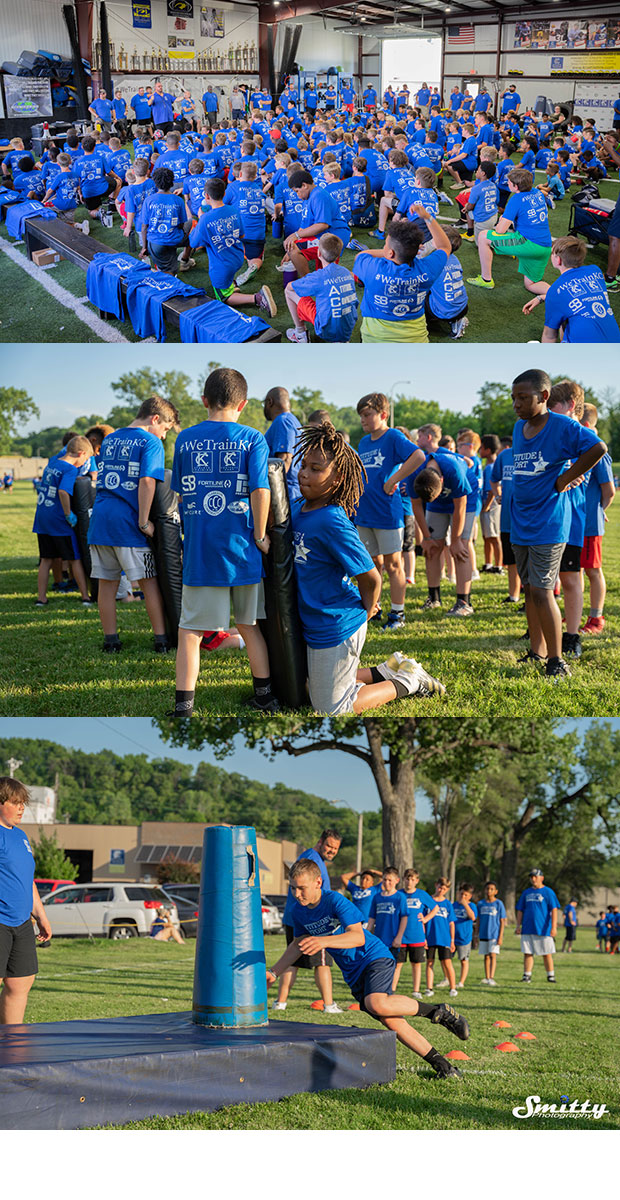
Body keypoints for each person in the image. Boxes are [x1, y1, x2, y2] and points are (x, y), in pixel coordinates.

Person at [267, 857, 470, 1080]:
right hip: (353, 973)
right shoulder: (299, 911)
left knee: (377, 1003)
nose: (297, 894)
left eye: (302, 888)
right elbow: (297, 944)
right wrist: (274, 972)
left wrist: (323, 941)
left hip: (373, 956)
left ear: (318, 882)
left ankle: (439, 1012)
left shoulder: (334, 900)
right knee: (390, 1019)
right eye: (293, 888)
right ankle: (444, 1067)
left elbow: (356, 936)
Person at [291, 422, 445, 715]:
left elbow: (371, 576)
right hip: (313, 618)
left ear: (337, 479)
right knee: (305, 686)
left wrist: (368, 608)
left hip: (336, 624)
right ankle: (387, 669)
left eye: (315, 469)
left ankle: (409, 680)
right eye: (303, 465)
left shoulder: (332, 521)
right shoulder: (300, 508)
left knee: (330, 708)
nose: (303, 473)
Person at [169, 368, 278, 716]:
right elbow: (261, 490)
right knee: (249, 626)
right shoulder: (253, 437)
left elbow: (182, 496)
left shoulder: (185, 439)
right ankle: (264, 698)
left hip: (201, 551)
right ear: (243, 404)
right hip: (242, 550)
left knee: (190, 632)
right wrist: (260, 535)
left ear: (204, 401)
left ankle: (184, 707)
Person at [510, 368, 606, 681]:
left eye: (524, 397)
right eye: (514, 398)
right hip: (520, 521)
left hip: (548, 524)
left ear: (545, 397)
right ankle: (536, 651)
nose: (517, 404)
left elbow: (597, 448)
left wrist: (565, 478)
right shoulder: (517, 428)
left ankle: (556, 660)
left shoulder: (562, 426)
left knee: (542, 591)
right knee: (529, 589)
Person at [87, 396, 179, 654]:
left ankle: (111, 640)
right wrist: (143, 521)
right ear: (156, 419)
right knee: (149, 582)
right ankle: (161, 639)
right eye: (165, 430)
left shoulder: (111, 438)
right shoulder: (149, 442)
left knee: (107, 585)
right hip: (127, 524)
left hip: (100, 521)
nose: (162, 437)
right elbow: (148, 481)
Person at [354, 392, 425, 631]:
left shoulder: (393, 436)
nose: (363, 419)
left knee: (394, 564)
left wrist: (393, 479)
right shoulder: (364, 442)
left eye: (367, 414)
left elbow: (418, 455)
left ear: (383, 415)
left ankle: (398, 614)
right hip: (365, 512)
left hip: (387, 512)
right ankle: (374, 608)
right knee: (371, 564)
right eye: (361, 415)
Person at [354, 208, 451, 343]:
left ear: (390, 253)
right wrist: (427, 217)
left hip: (375, 339)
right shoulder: (426, 269)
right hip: (417, 340)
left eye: (386, 245)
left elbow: (361, 255)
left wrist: (387, 253)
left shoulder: (373, 268)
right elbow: (445, 247)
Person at [0, 776, 53, 1024]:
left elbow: (26, 879)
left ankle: (11, 1045)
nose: (22, 807)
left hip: (22, 924)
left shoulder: (21, 836)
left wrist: (41, 915)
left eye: (24, 803)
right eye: (15, 802)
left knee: (21, 982)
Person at [274, 830, 344, 1014]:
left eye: (335, 848)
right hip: (310, 918)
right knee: (322, 962)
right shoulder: (312, 859)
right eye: (329, 845)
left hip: (296, 916)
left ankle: (280, 1003)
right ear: (320, 842)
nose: (331, 851)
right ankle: (329, 1005)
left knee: (293, 960)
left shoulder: (313, 859)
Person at [469, 168, 552, 298]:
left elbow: (501, 230)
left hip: (528, 243)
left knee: (483, 236)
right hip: (545, 247)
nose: (507, 183)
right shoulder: (537, 193)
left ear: (516, 186)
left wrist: (501, 221)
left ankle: (486, 280)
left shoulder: (516, 199)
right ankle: (559, 294)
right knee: (531, 284)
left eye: (509, 182)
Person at [33, 435, 94, 608]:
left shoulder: (52, 463)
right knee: (74, 558)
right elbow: (62, 492)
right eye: (86, 459)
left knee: (46, 559)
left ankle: (41, 598)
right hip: (59, 521)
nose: (84, 464)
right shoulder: (70, 469)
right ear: (80, 453)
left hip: (42, 517)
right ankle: (85, 597)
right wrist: (69, 514)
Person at [522, 237, 620, 343]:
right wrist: (542, 297)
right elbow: (583, 296)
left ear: (558, 260)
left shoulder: (556, 290)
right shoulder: (595, 271)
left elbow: (549, 335)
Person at [579, 403, 615, 634]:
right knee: (576, 571)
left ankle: (596, 618)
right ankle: (577, 614)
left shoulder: (597, 450)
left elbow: (609, 490)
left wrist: (599, 510)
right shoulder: (579, 447)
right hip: (575, 522)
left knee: (593, 570)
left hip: (590, 523)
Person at [284, 232, 358, 344]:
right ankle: (342, 340)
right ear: (338, 255)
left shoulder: (317, 277)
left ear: (318, 253)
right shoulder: (347, 273)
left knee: (288, 291)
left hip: (325, 331)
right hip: (348, 329)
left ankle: (300, 333)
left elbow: (291, 286)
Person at [393, 869, 437, 998]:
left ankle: (416, 990)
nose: (409, 882)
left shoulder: (422, 894)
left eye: (412, 879)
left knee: (416, 964)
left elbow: (435, 908)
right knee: (397, 964)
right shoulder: (398, 894)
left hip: (416, 935)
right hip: (400, 936)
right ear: (403, 879)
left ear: (417, 881)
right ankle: (392, 990)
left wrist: (425, 919)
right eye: (407, 879)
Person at [515, 868, 561, 983]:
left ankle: (550, 975)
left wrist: (554, 927)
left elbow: (554, 909)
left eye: (536, 876)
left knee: (546, 953)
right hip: (528, 927)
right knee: (528, 952)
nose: (533, 879)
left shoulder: (548, 892)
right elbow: (520, 910)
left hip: (543, 928)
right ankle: (527, 975)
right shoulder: (526, 892)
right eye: (531, 877)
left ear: (542, 878)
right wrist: (518, 925)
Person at [263, 385, 303, 502]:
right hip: (290, 491)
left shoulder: (283, 421)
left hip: (286, 494)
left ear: (270, 402)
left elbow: (285, 460)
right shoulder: (292, 421)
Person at [424, 878, 457, 999]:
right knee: (430, 962)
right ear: (435, 885)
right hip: (430, 937)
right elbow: (422, 920)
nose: (441, 890)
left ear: (447, 890)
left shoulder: (448, 904)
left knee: (447, 962)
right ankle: (429, 988)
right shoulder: (428, 901)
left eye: (444, 889)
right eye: (439, 887)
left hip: (444, 938)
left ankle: (453, 987)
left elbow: (451, 923)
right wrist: (424, 938)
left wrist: (452, 940)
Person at [367, 867, 409, 958]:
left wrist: (399, 937)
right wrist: (366, 935)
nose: (387, 883)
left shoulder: (400, 897)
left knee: (391, 968)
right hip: (379, 939)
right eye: (385, 880)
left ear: (397, 880)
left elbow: (404, 918)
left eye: (390, 880)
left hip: (393, 940)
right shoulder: (376, 897)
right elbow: (372, 919)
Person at [476, 881, 506, 986]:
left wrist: (500, 936)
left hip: (494, 934)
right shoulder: (480, 904)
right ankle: (487, 976)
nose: (489, 891)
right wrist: (476, 934)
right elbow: (478, 920)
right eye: (488, 888)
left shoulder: (499, 904)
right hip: (484, 933)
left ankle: (492, 977)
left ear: (496, 891)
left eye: (492, 889)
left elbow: (502, 921)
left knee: (493, 955)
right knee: (486, 956)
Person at [452, 883, 477, 989]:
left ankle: (461, 982)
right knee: (447, 960)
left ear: (470, 896)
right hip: (452, 937)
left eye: (465, 895)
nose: (463, 896)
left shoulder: (472, 906)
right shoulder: (453, 905)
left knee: (463, 960)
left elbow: (473, 917)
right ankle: (447, 978)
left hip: (464, 938)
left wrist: (465, 904)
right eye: (461, 894)